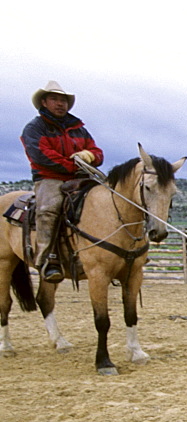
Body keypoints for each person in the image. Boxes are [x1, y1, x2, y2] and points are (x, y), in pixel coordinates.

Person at [20, 80, 104, 283]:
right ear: (44, 102)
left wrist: (88, 156)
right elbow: (41, 155)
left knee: (108, 202)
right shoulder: (34, 128)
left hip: (81, 178)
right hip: (50, 178)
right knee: (49, 208)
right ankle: (48, 258)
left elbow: (98, 153)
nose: (60, 104)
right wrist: (73, 164)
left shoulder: (78, 129)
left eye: (63, 100)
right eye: (55, 99)